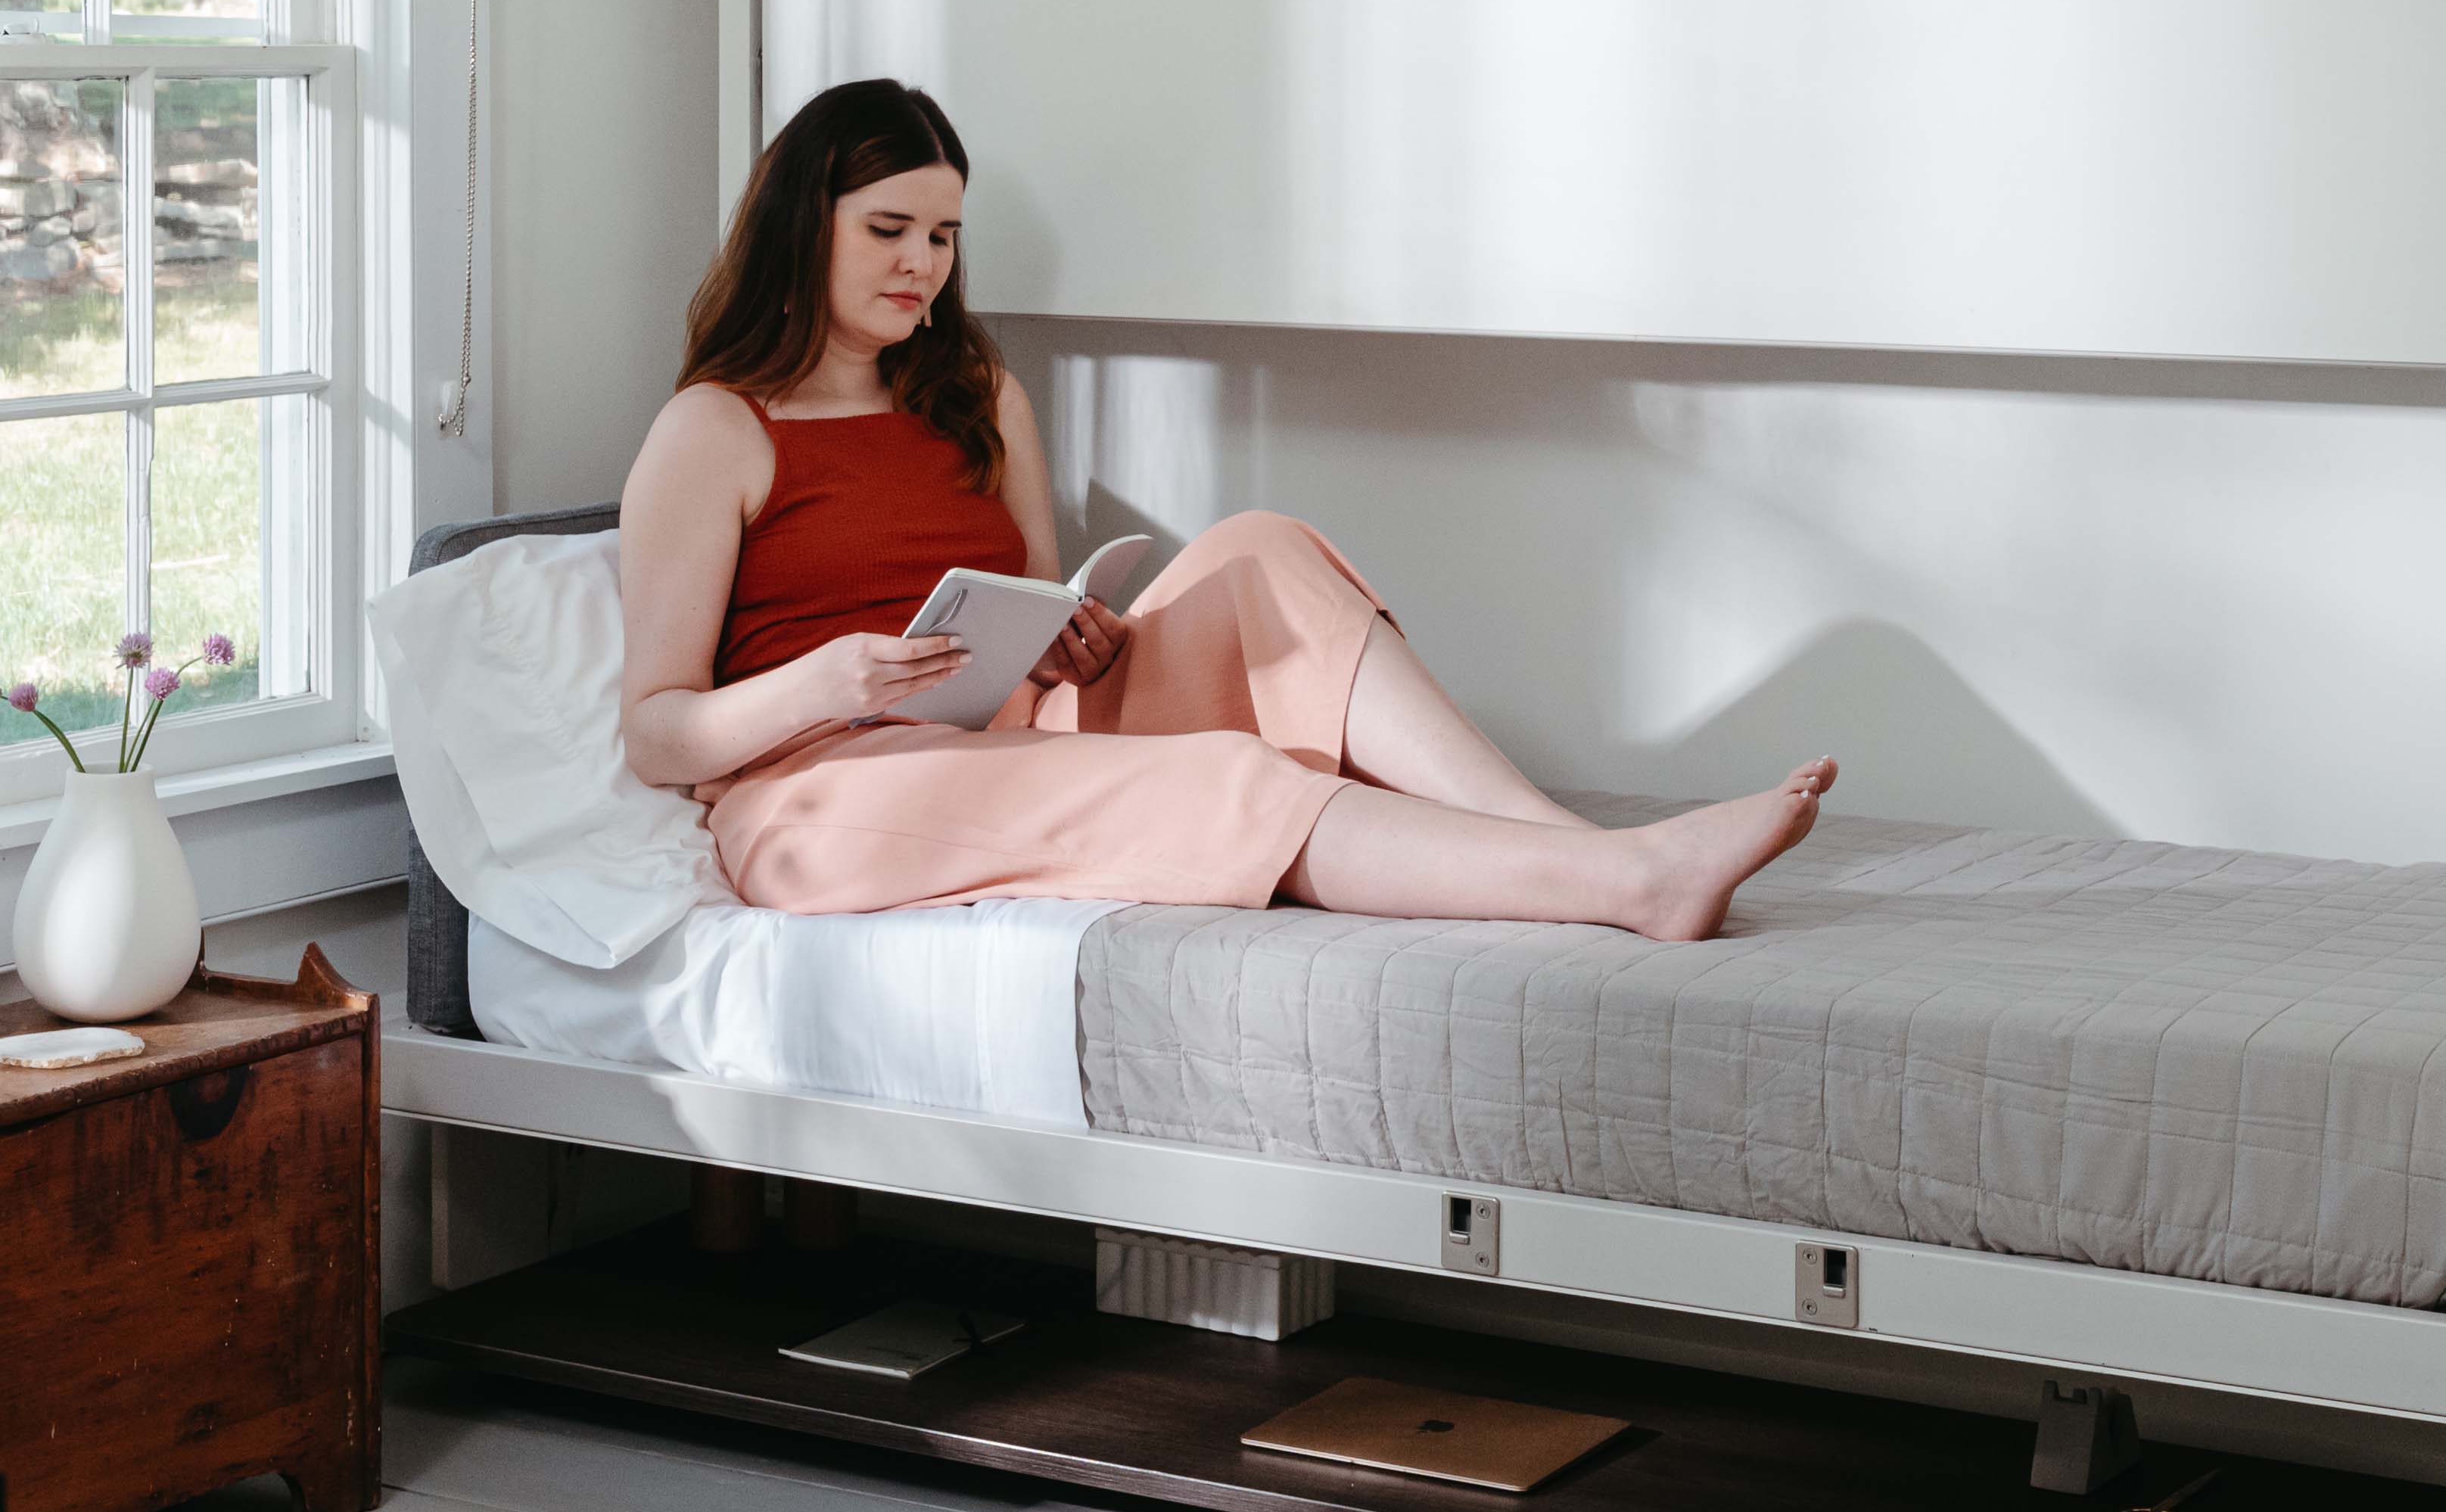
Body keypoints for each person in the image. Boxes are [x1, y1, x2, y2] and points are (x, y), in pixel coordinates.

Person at [620, 78, 1834, 939]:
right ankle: (1625, 888)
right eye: (887, 230)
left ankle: (1565, 841)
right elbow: (657, 732)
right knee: (1212, 773)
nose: (923, 264)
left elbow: (1038, 600)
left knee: (1263, 551)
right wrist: (828, 683)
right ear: (802, 229)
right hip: (828, 796)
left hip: (1006, 735)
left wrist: (1069, 636)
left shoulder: (976, 392)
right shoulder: (717, 429)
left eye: (941, 234)